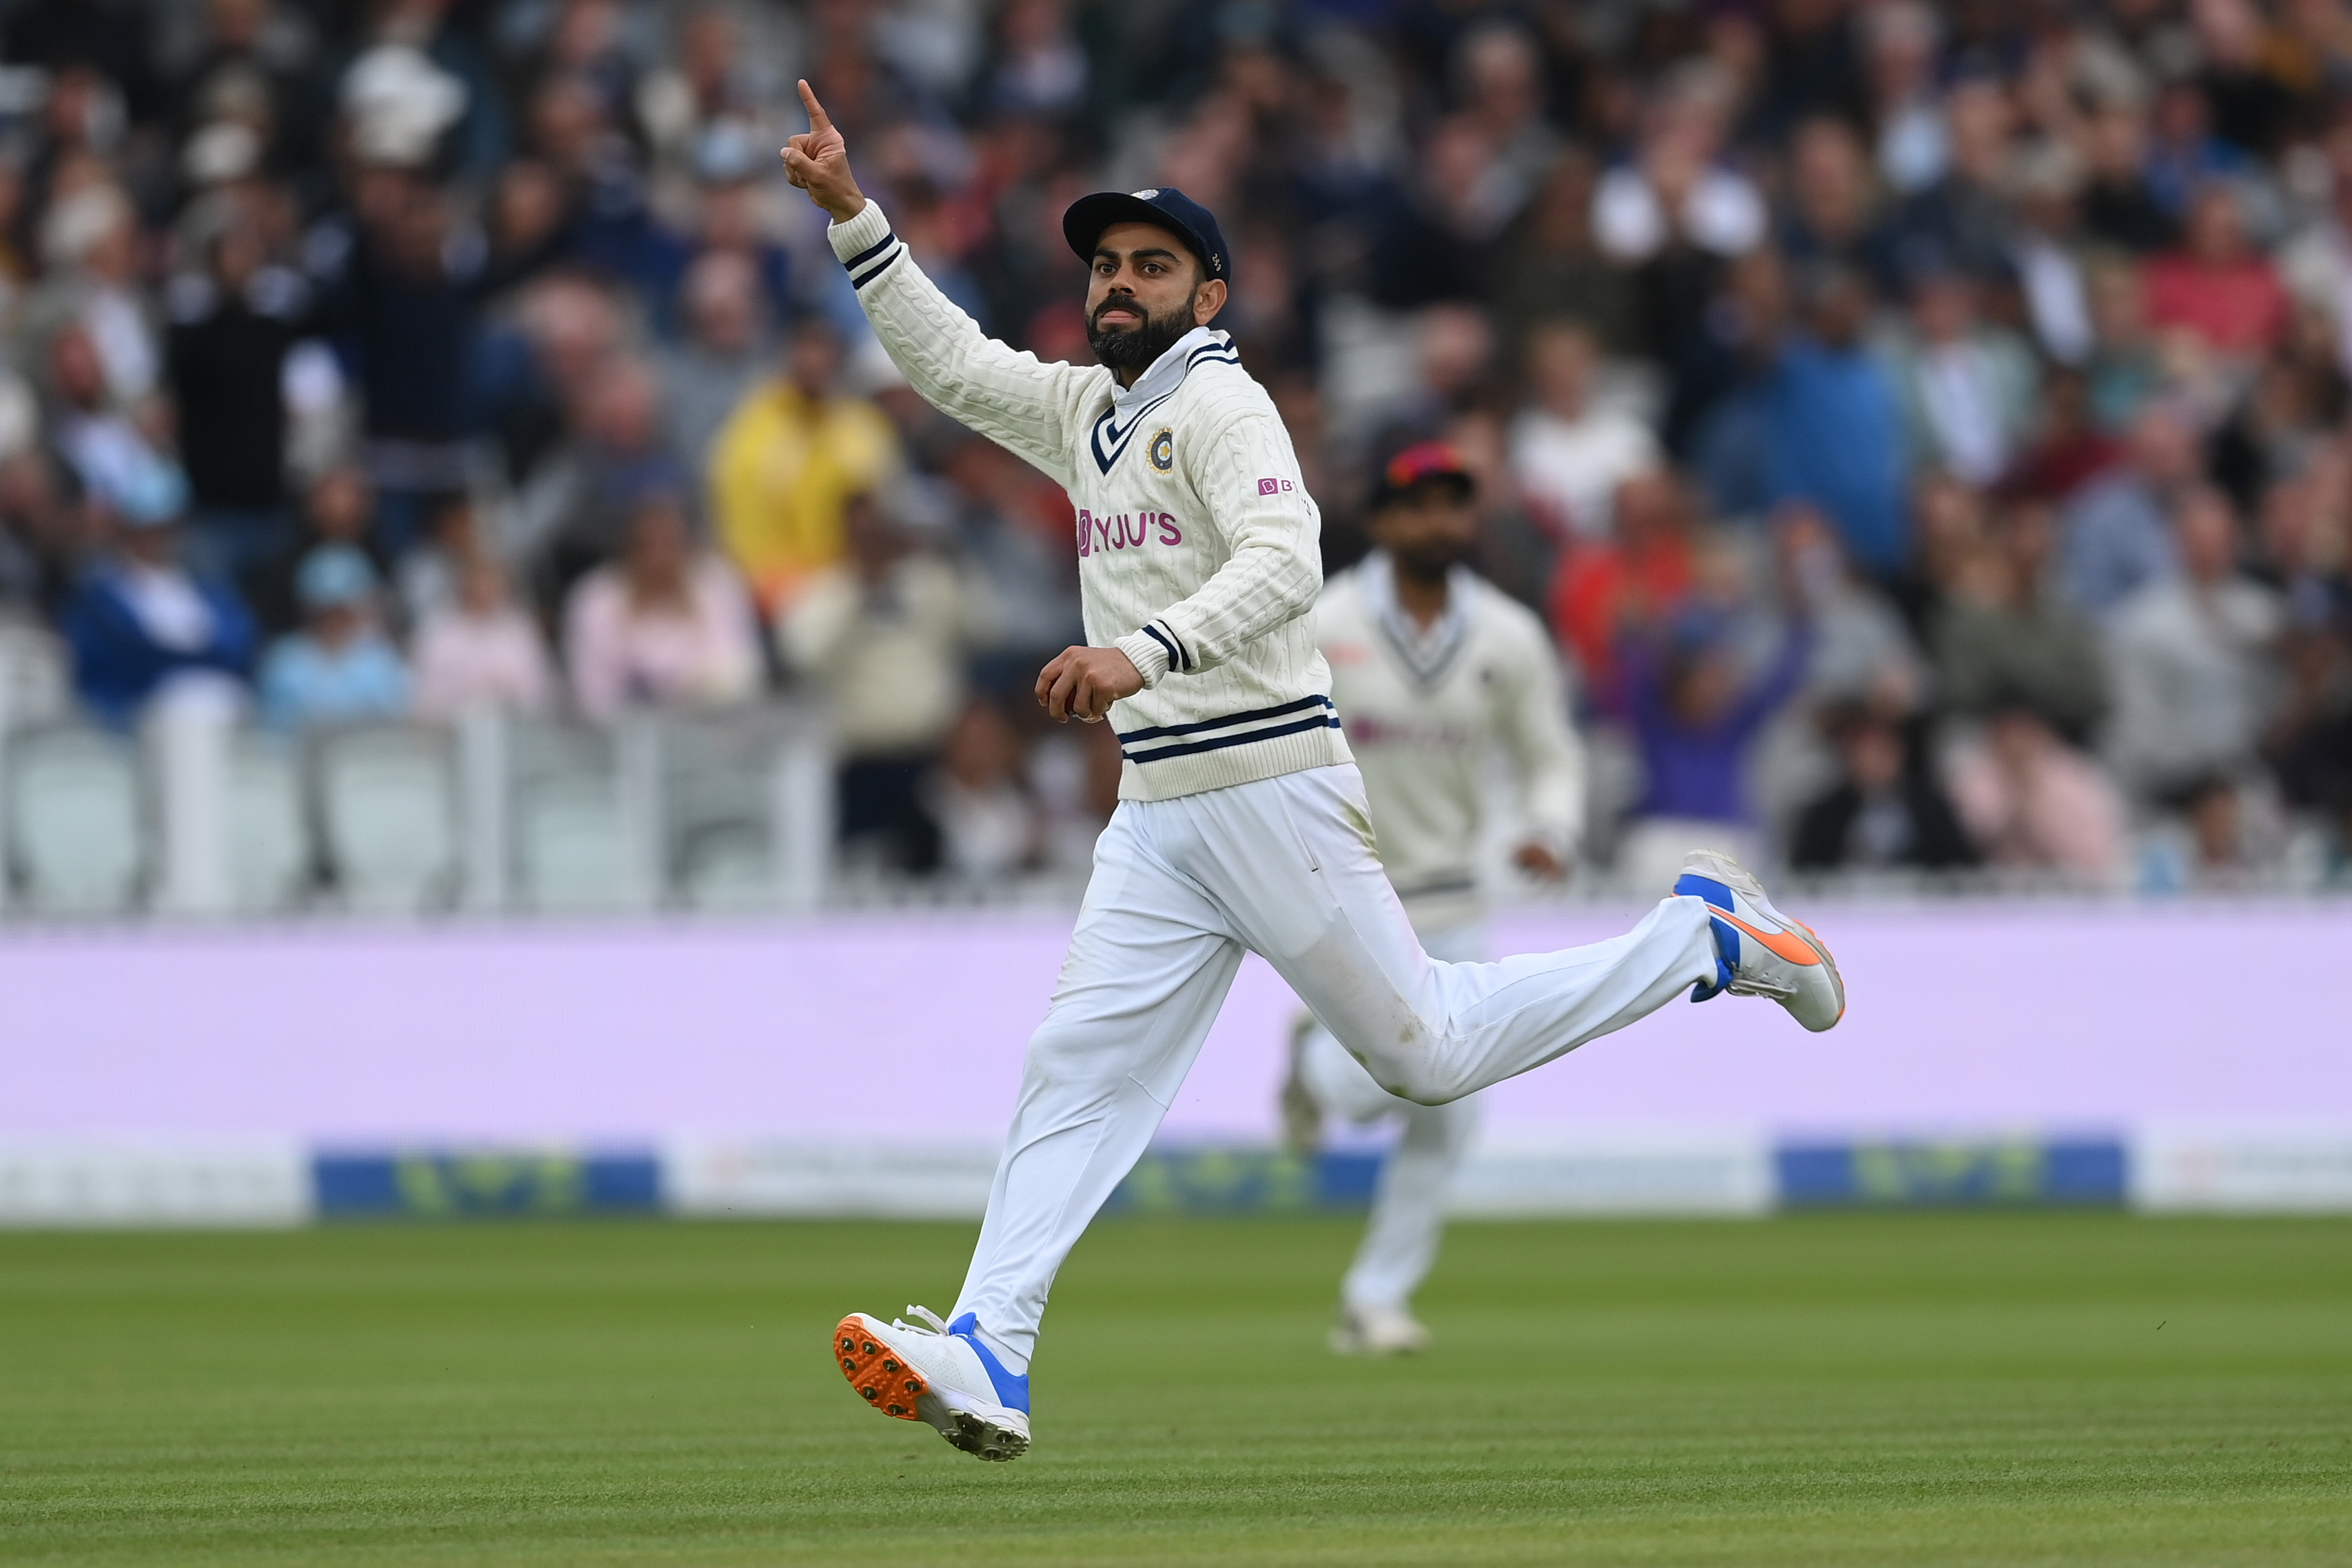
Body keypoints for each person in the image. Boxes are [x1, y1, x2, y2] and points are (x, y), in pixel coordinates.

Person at [781, 83, 1843, 1465]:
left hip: (1263, 776)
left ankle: (1700, 937)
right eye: (1102, 264)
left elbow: (1287, 563)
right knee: (1079, 1065)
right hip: (1160, 807)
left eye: (1148, 266)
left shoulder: (1221, 404)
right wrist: (856, 219)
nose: (1116, 283)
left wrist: (1140, 651)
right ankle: (989, 1344)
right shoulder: (1086, 410)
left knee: (1428, 1054)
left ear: (1206, 295)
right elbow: (953, 366)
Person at [1285, 440, 1583, 1356]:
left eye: (1456, 503)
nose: (1440, 521)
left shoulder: (1506, 633)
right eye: (1419, 504)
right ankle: (1312, 1070)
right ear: (1380, 520)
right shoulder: (1322, 622)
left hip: (1454, 892)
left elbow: (1551, 755)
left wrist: (1551, 827)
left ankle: (1376, 1296)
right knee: (1385, 1086)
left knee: (1448, 1102)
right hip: (1348, 891)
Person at [561, 490, 760, 721]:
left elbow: (739, 671)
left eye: (669, 543)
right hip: (625, 735)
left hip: (712, 729)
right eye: (645, 545)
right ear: (626, 549)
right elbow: (593, 697)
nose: (658, 559)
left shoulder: (717, 584)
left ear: (688, 544)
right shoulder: (594, 601)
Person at [256, 545, 412, 731]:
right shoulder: (284, 660)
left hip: (365, 756)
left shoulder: (382, 660)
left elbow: (395, 731)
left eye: (341, 611)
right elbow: (270, 731)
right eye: (324, 611)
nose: (333, 620)